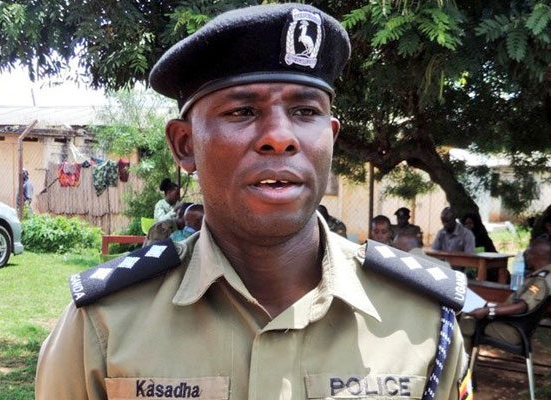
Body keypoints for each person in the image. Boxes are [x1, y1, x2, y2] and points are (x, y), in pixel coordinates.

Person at [36, 4, 469, 399]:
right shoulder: (104, 324)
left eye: (305, 112)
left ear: (331, 138)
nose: (280, 137)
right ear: (185, 144)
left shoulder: (426, 321)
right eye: (241, 111)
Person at [459, 239, 551, 351]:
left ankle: (461, 360)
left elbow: (520, 307)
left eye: (527, 253)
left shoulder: (540, 281)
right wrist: (489, 306)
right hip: (516, 325)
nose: (525, 257)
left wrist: (488, 311)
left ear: (536, 256)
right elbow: (516, 304)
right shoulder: (544, 275)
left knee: (466, 323)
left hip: (513, 329)